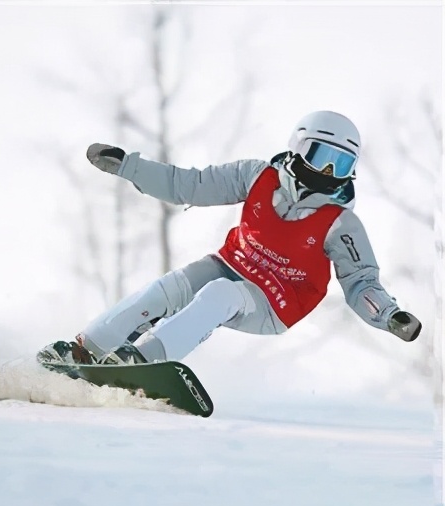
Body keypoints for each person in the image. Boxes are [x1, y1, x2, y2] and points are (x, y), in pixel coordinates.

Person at [38, 110, 422, 367]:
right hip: (232, 264)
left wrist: (389, 315)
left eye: (340, 164)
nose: (327, 171)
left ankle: (143, 362)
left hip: (277, 299)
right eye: (321, 156)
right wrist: (129, 166)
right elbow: (188, 185)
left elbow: (361, 283)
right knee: (167, 290)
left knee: (221, 295)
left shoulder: (340, 223)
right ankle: (86, 350)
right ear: (298, 146)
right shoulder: (256, 176)